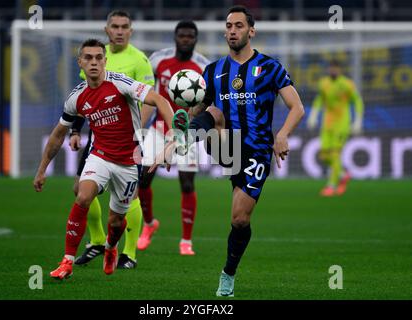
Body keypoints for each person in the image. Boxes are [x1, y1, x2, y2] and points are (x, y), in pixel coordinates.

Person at [150, 5, 304, 297]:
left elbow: (297, 107)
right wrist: (177, 137)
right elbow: (200, 111)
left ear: (251, 31)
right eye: (229, 26)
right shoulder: (213, 70)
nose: (232, 31)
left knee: (240, 219)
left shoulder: (270, 67)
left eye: (238, 26)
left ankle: (228, 275)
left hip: (257, 152)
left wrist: (282, 135)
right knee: (215, 112)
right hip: (227, 147)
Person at [33, 39, 174, 280]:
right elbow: (58, 134)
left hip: (129, 161)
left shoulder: (121, 84)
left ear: (105, 61)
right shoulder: (76, 97)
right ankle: (66, 262)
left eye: (99, 57)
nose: (94, 62)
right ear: (80, 63)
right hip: (99, 156)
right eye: (88, 58)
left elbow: (159, 100)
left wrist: (173, 136)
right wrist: (42, 169)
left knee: (117, 221)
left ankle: (110, 248)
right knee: (83, 194)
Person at [69, 10, 155, 269]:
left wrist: (139, 130)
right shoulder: (95, 55)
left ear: (131, 31)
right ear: (107, 30)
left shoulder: (139, 60)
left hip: (129, 138)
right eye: (114, 26)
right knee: (79, 189)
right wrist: (75, 130)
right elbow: (86, 97)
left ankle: (129, 254)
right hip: (98, 138)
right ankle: (97, 241)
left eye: (124, 27)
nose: (119, 31)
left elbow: (149, 98)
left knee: (132, 197)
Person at [137, 20, 210, 255]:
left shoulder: (203, 66)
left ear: (196, 39)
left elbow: (207, 101)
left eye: (190, 36)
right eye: (182, 35)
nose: (186, 39)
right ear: (175, 37)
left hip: (185, 132)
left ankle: (186, 240)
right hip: (158, 129)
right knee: (143, 180)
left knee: (187, 183)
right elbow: (148, 90)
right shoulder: (158, 59)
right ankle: (149, 224)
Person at [307, 60, 364, 196]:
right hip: (327, 124)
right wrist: (313, 115)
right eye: (331, 68)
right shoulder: (324, 83)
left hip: (342, 124)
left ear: (340, 70)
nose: (333, 71)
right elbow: (320, 99)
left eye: (335, 68)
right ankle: (343, 174)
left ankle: (331, 186)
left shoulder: (347, 84)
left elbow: (357, 101)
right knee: (323, 155)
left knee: (334, 154)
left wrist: (358, 120)